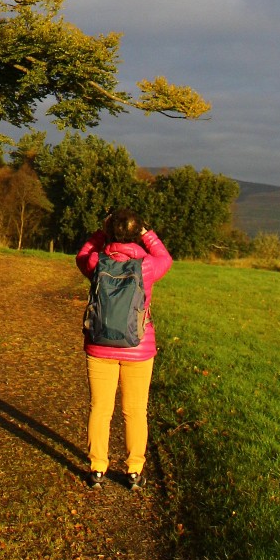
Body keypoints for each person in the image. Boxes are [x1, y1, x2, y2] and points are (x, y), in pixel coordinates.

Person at [75, 208, 173, 491]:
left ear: (110, 230)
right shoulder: (147, 267)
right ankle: (133, 471)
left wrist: (99, 233)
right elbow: (165, 258)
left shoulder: (97, 261)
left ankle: (97, 469)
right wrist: (148, 233)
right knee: (135, 411)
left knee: (100, 409)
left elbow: (82, 256)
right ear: (137, 233)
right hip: (139, 348)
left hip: (99, 345)